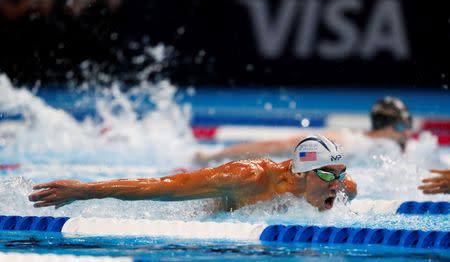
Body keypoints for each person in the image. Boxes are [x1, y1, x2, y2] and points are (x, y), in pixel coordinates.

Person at [29, 134, 357, 212]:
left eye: (340, 174)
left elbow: (346, 186)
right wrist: (85, 190)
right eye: (328, 176)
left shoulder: (341, 187)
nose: (339, 186)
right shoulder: (247, 178)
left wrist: (339, 181)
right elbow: (169, 185)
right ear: (300, 174)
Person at [195, 96, 413, 163]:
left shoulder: (395, 148)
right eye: (403, 126)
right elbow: (273, 146)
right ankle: (214, 155)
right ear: (384, 126)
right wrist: (213, 156)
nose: (407, 133)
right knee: (277, 148)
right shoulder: (346, 141)